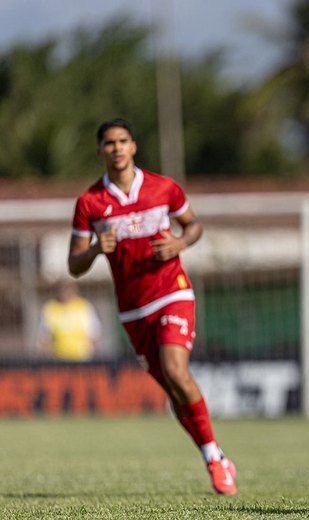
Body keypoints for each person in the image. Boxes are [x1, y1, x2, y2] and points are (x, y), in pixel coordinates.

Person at [67, 119, 237, 495]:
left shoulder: (164, 188)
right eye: (109, 143)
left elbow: (193, 226)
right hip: (132, 310)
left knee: (177, 370)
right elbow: (73, 265)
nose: (116, 148)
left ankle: (212, 458)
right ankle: (217, 454)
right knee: (172, 390)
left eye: (122, 141)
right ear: (100, 151)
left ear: (134, 146)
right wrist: (96, 249)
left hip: (172, 292)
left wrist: (180, 243)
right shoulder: (90, 202)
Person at [37, 280, 102, 361]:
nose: (67, 294)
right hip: (58, 360)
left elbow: (94, 335)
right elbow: (44, 338)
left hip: (81, 359)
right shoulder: (51, 308)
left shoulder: (84, 307)